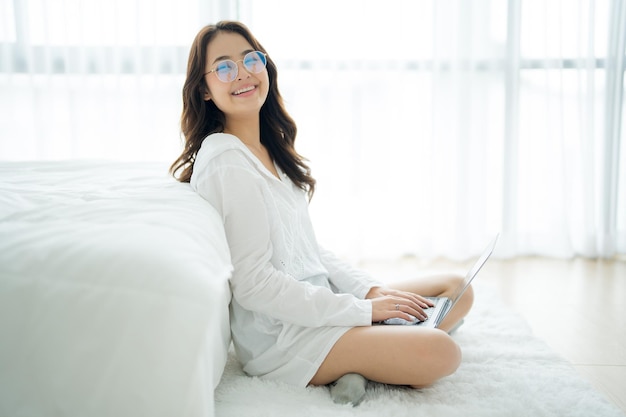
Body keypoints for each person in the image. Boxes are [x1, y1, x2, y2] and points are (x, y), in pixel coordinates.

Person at [170, 21, 473, 405]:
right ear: (204, 89)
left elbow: (310, 250)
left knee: (457, 289)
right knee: (440, 352)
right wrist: (362, 312)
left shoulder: (270, 149)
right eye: (225, 67)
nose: (244, 73)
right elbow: (254, 284)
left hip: (321, 300)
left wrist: (370, 291)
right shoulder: (226, 160)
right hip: (285, 335)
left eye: (251, 59)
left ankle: (361, 362)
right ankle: (363, 357)